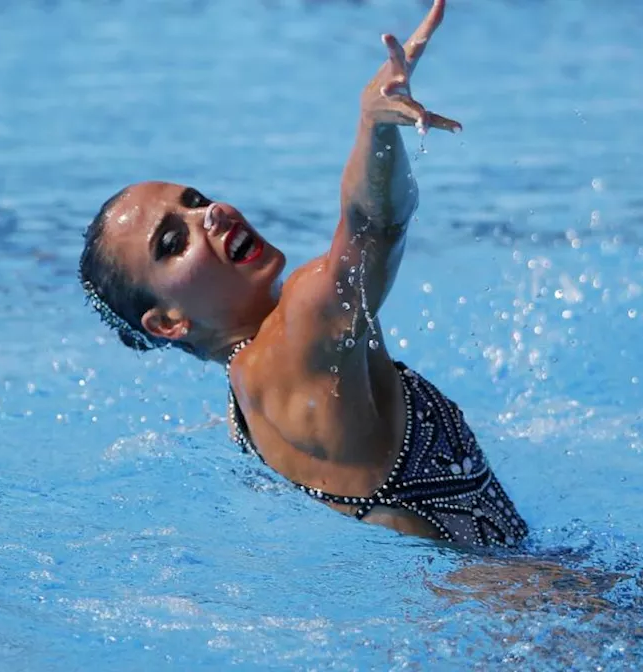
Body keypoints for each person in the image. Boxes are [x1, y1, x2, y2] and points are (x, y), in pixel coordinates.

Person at [77, 0, 527, 548]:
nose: (209, 215)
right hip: (524, 604)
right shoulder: (305, 322)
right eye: (174, 242)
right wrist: (374, 129)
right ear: (168, 323)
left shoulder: (245, 397)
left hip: (470, 612)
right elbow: (374, 225)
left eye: (196, 200)